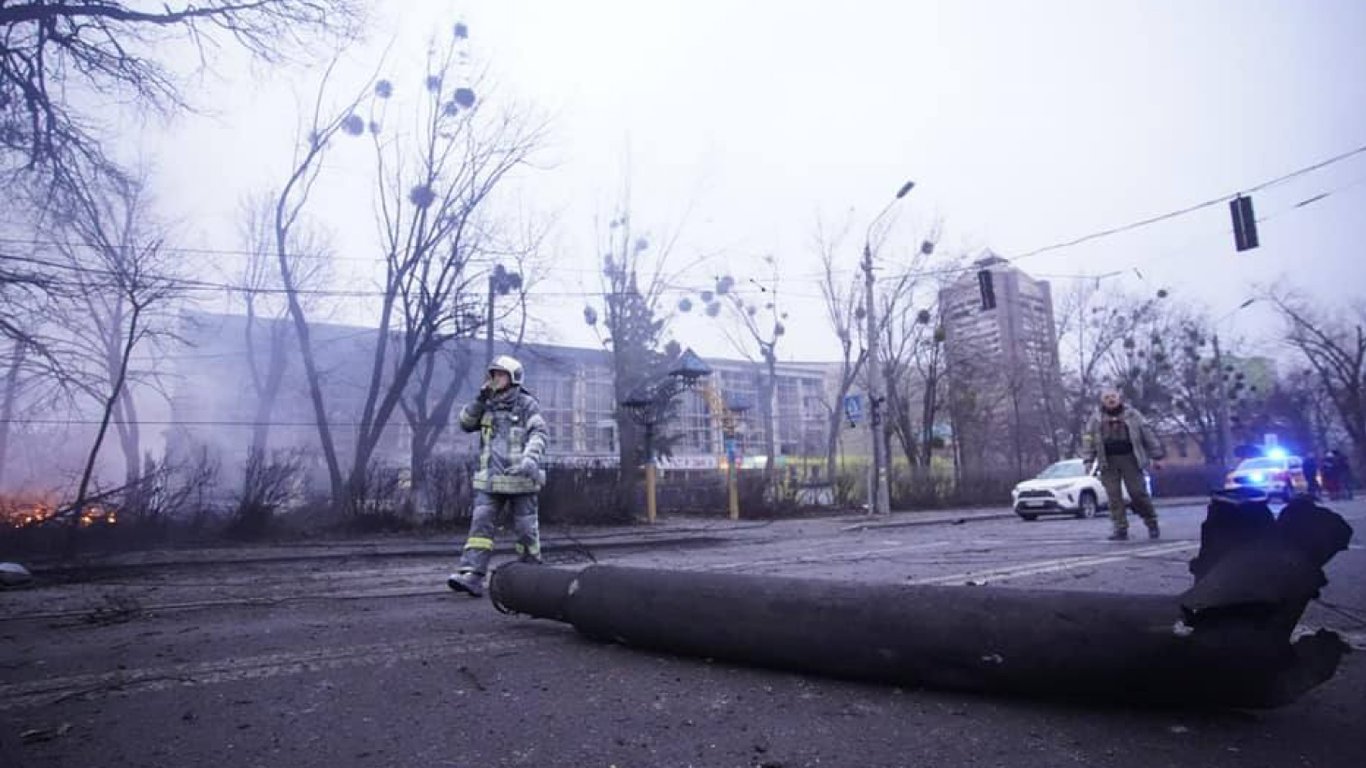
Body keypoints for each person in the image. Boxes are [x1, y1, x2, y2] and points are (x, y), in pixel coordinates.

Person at [447, 355, 548, 597]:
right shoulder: (486, 404)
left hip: (521, 480)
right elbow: (465, 423)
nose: (494, 379)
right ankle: (472, 574)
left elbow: (539, 434)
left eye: (500, 375)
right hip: (490, 481)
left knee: (525, 530)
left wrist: (529, 460)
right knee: (480, 527)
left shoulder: (527, 404)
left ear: (513, 378)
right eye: (493, 375)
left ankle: (531, 575)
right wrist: (479, 399)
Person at [1081, 387, 1165, 541]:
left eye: (1113, 396)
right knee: (1113, 496)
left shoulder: (1132, 415)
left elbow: (1147, 434)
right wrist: (1088, 460)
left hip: (1131, 458)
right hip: (1107, 461)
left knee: (1137, 493)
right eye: (1106, 397)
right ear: (1102, 400)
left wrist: (1156, 456)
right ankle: (1120, 528)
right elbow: (1088, 439)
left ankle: (1151, 521)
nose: (1110, 400)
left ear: (1119, 398)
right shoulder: (1096, 418)